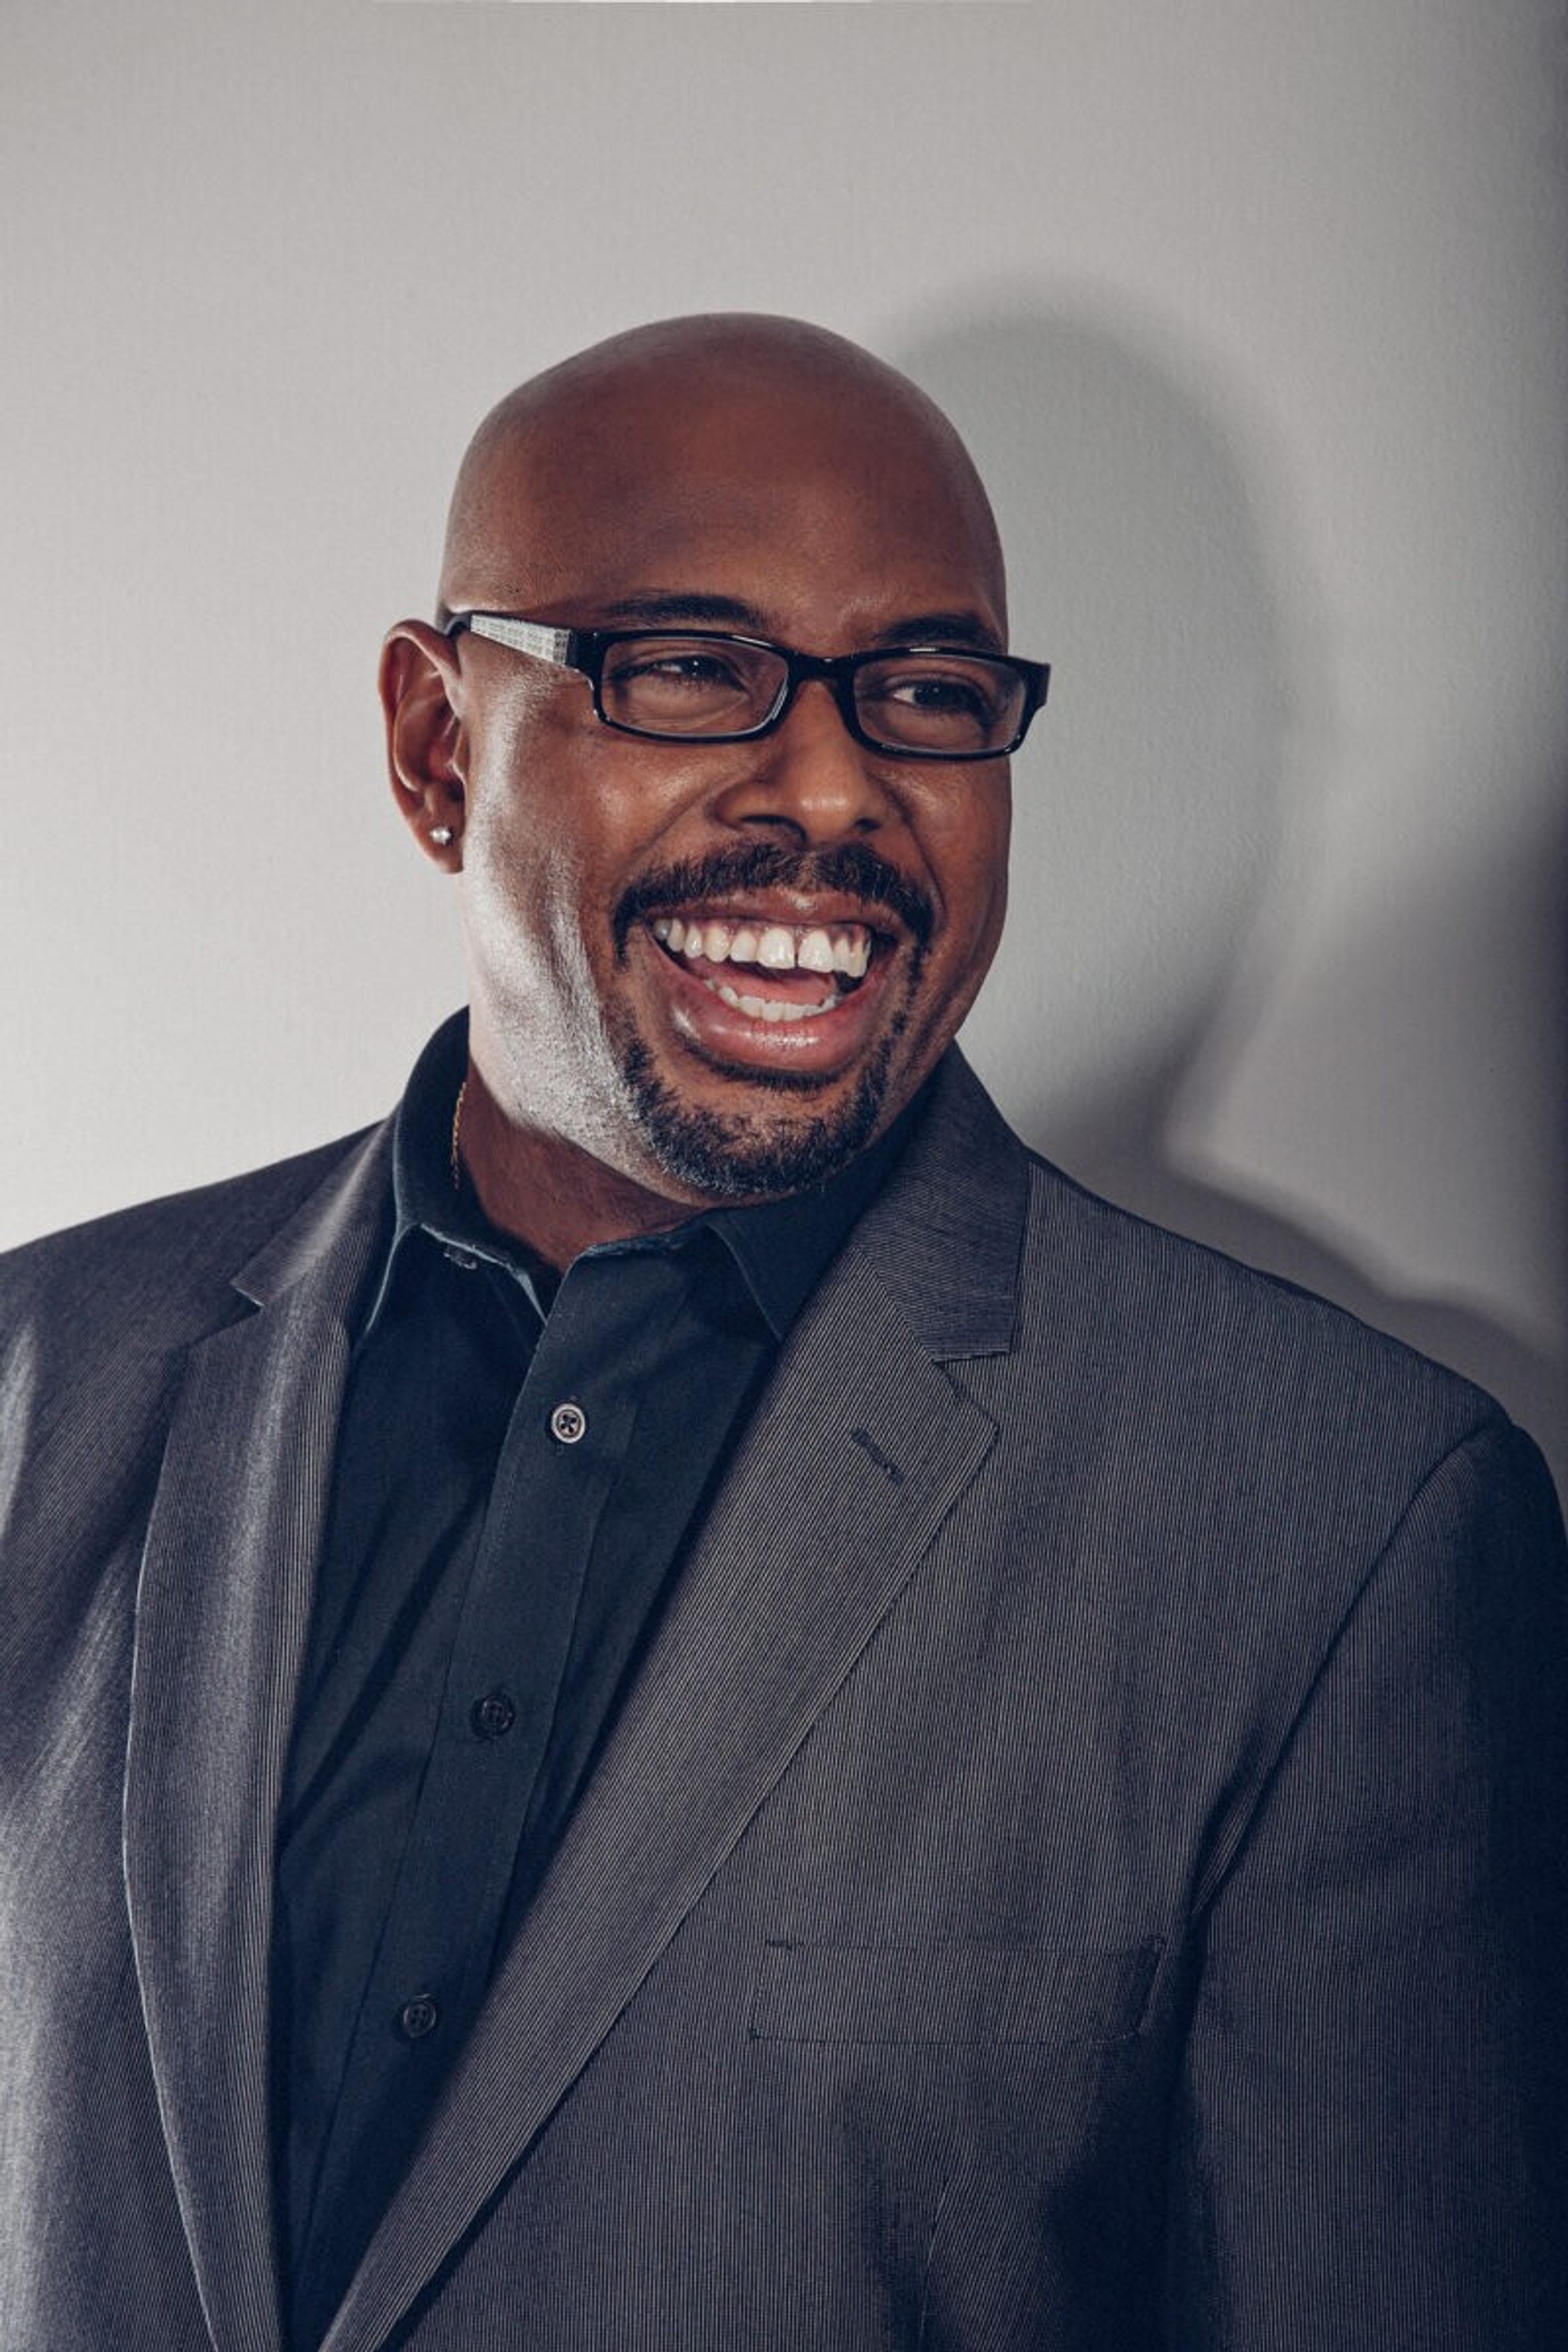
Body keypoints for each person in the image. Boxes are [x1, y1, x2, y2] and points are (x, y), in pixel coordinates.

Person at [1, 313, 1563, 2352]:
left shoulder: (1337, 1529)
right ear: (431, 746)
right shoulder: (46, 1378)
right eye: (687, 668)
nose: (834, 788)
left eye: (926, 692)